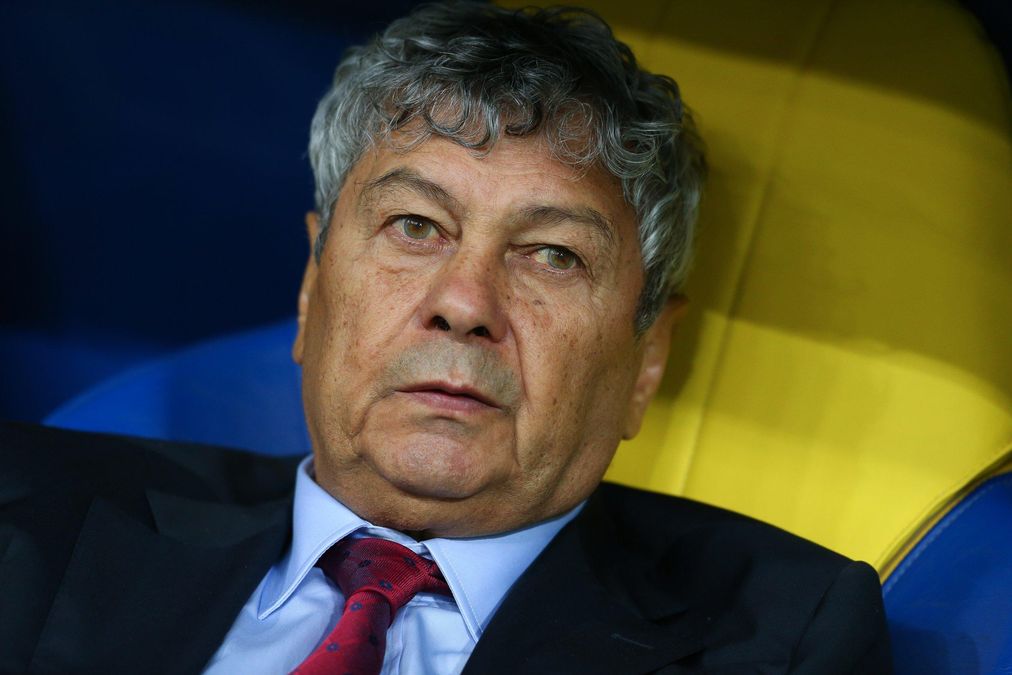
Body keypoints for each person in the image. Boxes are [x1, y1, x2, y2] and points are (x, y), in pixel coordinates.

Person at [0, 2, 891, 673]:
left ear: (646, 359)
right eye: (416, 226)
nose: (464, 303)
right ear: (312, 287)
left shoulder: (782, 639)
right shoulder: (26, 509)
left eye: (552, 254)